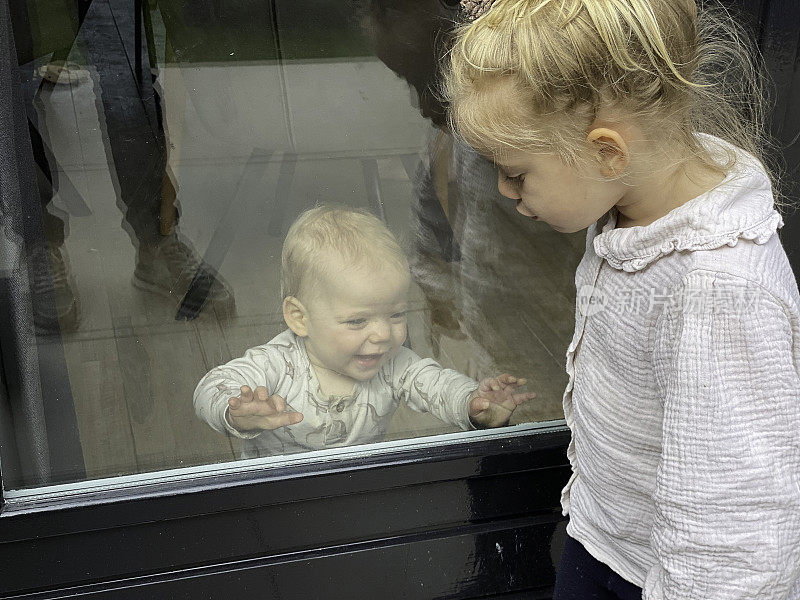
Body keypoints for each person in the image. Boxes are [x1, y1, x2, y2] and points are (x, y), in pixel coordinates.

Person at [445, 1, 800, 599]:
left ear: (609, 150)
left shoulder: (716, 290)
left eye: (517, 172)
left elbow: (738, 524)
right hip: (606, 539)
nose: (504, 191)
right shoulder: (635, 204)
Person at [193, 206, 535, 457]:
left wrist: (472, 403)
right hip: (278, 495)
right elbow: (211, 387)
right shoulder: (278, 364)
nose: (383, 334)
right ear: (300, 318)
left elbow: (436, 384)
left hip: (357, 487)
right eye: (358, 321)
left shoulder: (391, 363)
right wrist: (234, 409)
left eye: (397, 314)